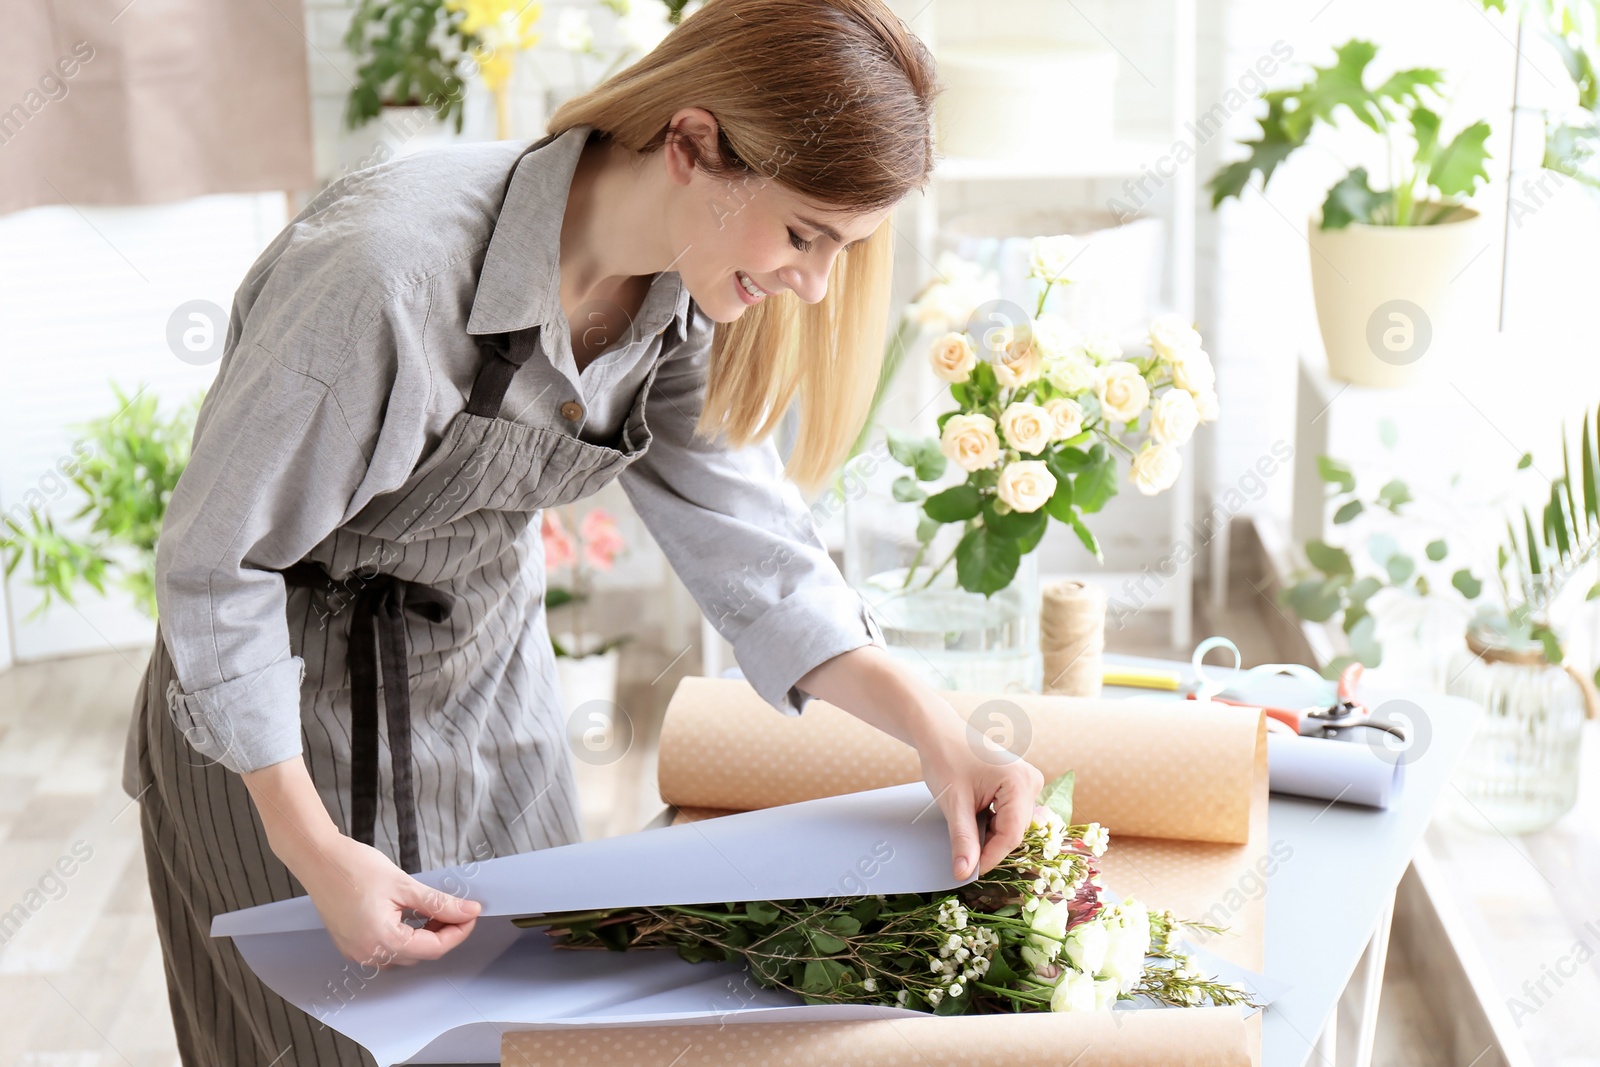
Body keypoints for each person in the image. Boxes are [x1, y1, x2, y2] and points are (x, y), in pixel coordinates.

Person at [122, 0, 1044, 1063]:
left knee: (535, 1038)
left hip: (485, 685)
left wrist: (938, 731)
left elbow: (751, 543)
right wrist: (312, 842)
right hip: (278, 732)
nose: (813, 284)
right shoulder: (388, 274)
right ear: (692, 144)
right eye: (803, 235)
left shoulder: (682, 301)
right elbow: (214, 568)